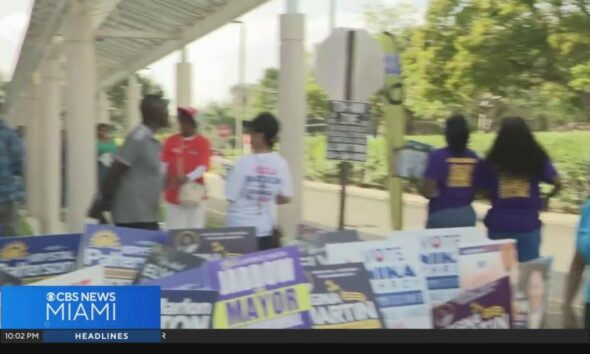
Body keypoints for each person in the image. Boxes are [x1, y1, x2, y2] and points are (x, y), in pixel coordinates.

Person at [478, 117, 562, 262]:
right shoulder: (536, 157)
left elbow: (481, 189)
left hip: (499, 225)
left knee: (501, 279)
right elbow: (557, 182)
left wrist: (494, 194)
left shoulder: (492, 159)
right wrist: (546, 198)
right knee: (528, 277)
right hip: (528, 225)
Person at [89, 94, 169, 230]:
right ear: (156, 113)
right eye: (165, 109)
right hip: (133, 216)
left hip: (146, 214)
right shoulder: (138, 138)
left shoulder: (151, 141)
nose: (168, 113)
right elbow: (116, 169)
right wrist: (103, 202)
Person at [224, 113, 293, 251]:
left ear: (260, 136)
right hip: (265, 232)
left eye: (252, 132)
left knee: (238, 271)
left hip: (239, 232)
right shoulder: (281, 164)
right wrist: (266, 196)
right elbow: (286, 197)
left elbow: (230, 196)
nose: (249, 136)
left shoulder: (243, 163)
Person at [419, 114, 480, 228]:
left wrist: (419, 186)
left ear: (447, 134)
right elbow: (478, 187)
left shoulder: (437, 156)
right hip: (467, 214)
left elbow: (428, 191)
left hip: (441, 214)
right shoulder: (473, 157)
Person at [161, 107, 211, 229]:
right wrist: (164, 180)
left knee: (194, 231)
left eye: (186, 121)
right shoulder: (171, 141)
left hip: (194, 195)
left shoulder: (203, 142)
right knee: (173, 230)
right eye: (181, 120)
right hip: (173, 195)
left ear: (195, 124)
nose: (182, 124)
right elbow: (163, 165)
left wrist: (187, 178)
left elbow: (202, 167)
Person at [0, 118, 24, 237]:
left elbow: (18, 164)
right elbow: (18, 165)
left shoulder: (7, 133)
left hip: (7, 195)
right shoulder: (8, 133)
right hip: (7, 194)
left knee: (12, 236)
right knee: (12, 237)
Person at [97, 123, 117, 190]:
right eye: (100, 130)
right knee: (102, 184)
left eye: (105, 130)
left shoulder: (112, 141)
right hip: (101, 165)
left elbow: (115, 152)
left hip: (111, 164)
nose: (102, 132)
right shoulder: (97, 142)